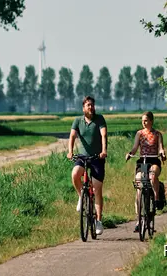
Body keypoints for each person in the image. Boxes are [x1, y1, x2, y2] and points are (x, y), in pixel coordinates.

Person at [67, 95, 107, 235]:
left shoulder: (99, 119)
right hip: (83, 157)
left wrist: (104, 150)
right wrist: (70, 151)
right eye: (88, 105)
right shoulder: (78, 121)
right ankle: (81, 196)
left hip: (97, 157)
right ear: (83, 107)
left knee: (97, 189)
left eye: (92, 105)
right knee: (75, 174)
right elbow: (72, 136)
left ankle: (98, 221)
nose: (91, 107)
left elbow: (103, 135)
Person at [125, 111, 166, 232]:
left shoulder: (157, 134)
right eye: (142, 120)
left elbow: (161, 148)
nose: (144, 123)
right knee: (139, 184)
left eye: (146, 120)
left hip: (154, 160)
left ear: (151, 121)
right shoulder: (139, 134)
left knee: (152, 177)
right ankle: (139, 219)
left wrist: (162, 153)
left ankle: (157, 198)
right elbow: (134, 148)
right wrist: (130, 154)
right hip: (142, 161)